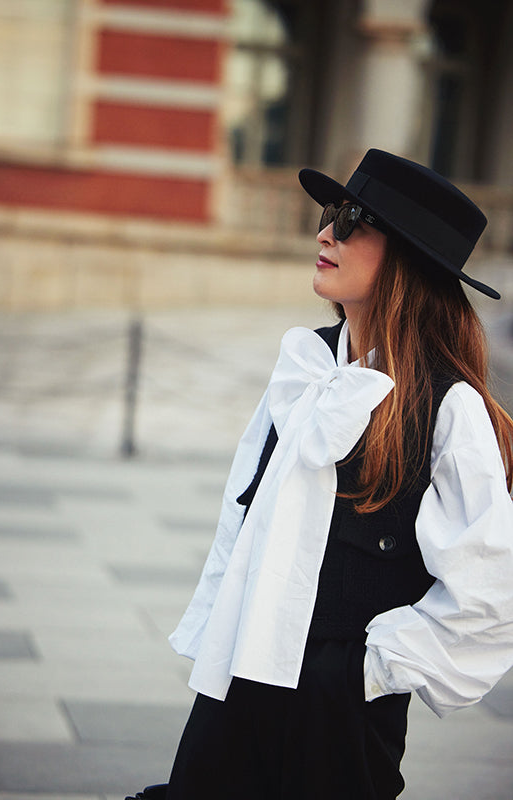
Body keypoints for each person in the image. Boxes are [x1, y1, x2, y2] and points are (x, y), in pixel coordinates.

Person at [126, 149, 513, 800]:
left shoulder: (448, 407)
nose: (324, 232)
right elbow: (239, 520)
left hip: (339, 720)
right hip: (237, 682)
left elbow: (489, 597)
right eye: (330, 214)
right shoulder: (304, 368)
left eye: (352, 219)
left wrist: (361, 672)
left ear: (410, 258)